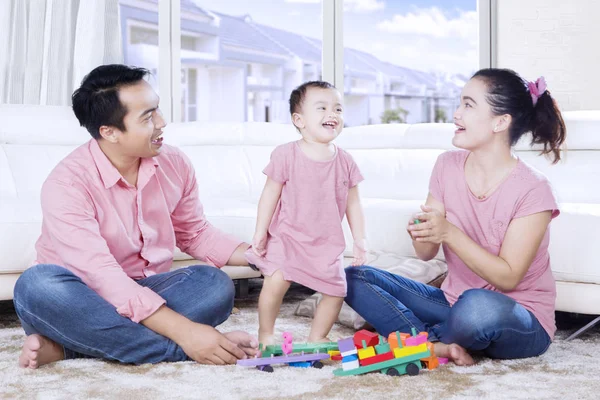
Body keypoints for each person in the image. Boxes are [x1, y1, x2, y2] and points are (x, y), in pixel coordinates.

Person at [13, 64, 259, 369]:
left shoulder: (174, 163)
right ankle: (179, 349)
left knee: (214, 284)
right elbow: (101, 275)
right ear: (110, 132)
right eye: (148, 117)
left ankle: (71, 349)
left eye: (157, 110)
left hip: (146, 289)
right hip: (80, 295)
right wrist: (190, 335)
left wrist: (260, 255)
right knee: (36, 285)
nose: (162, 122)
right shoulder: (66, 184)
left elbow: (194, 232)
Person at [345, 68, 566, 366]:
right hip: (452, 303)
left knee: (476, 309)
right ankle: (436, 345)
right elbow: (426, 255)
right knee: (352, 277)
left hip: (518, 314)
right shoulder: (447, 165)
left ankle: (417, 338)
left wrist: (449, 233)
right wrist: (423, 233)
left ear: (500, 122)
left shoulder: (534, 189)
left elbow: (508, 276)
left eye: (468, 105)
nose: (456, 114)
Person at [246, 81, 367, 346]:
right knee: (275, 283)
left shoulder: (345, 161)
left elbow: (353, 204)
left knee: (337, 291)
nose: (332, 114)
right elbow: (269, 196)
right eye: (322, 108)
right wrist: (260, 232)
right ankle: (266, 332)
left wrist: (360, 240)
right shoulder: (286, 154)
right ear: (298, 119)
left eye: (338, 109)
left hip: (326, 243)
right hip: (287, 237)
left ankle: (318, 336)